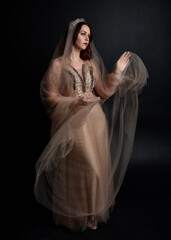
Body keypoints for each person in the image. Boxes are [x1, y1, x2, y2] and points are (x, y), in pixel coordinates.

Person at [34, 18, 148, 232]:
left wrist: (116, 71)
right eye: (83, 34)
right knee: (82, 168)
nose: (87, 38)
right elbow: (49, 98)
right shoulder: (58, 65)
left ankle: (90, 213)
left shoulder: (90, 63)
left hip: (96, 121)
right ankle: (73, 215)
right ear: (72, 35)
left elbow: (103, 91)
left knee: (95, 169)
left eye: (89, 35)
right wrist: (76, 100)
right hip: (73, 123)